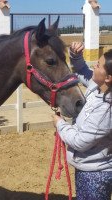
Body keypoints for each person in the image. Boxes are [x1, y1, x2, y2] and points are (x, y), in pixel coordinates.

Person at [52, 42, 112, 200]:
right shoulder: (98, 87)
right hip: (88, 167)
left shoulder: (106, 110)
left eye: (98, 65)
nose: (94, 67)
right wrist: (75, 55)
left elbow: (80, 142)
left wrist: (60, 124)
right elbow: (82, 70)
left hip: (96, 174)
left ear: (108, 78)